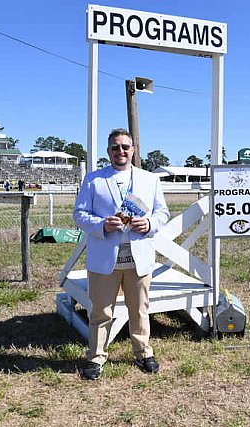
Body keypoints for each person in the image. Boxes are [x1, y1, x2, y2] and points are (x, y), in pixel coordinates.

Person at [73, 128, 170, 380]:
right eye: (115, 147)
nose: (120, 151)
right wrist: (101, 225)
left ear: (133, 150)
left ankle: (143, 353)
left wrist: (149, 224)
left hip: (139, 257)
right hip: (105, 257)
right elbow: (79, 214)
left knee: (139, 310)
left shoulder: (151, 180)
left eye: (125, 146)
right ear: (108, 151)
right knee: (101, 311)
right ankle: (95, 357)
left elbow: (162, 213)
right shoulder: (93, 180)